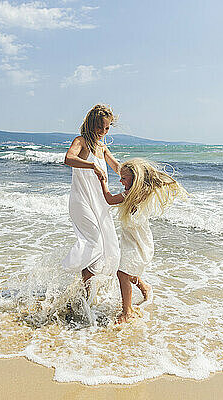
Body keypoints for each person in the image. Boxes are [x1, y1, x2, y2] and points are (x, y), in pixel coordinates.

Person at [99, 158, 188, 323]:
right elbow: (119, 175)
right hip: (129, 239)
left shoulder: (137, 193)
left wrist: (103, 182)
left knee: (122, 273)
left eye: (124, 178)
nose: (120, 180)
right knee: (128, 271)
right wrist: (105, 154)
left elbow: (109, 199)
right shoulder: (134, 191)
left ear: (135, 179)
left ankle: (127, 312)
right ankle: (144, 287)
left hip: (139, 242)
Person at [62, 104, 121, 298]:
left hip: (99, 202)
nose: (103, 132)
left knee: (106, 245)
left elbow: (117, 167)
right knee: (93, 241)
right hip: (81, 201)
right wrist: (91, 166)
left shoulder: (102, 147)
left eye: (107, 128)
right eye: (100, 127)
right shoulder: (81, 141)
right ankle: (82, 290)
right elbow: (68, 158)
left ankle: (85, 294)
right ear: (91, 124)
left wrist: (140, 177)